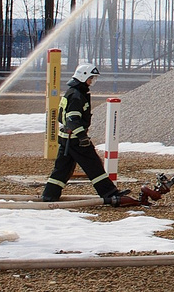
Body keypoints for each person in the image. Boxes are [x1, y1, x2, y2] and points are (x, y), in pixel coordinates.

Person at [43, 60, 143, 207]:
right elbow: (72, 119)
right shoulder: (76, 95)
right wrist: (82, 137)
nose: (92, 81)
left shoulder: (74, 92)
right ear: (83, 77)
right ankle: (109, 193)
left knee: (63, 169)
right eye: (91, 78)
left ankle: (49, 195)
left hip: (67, 139)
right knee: (93, 165)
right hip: (76, 139)